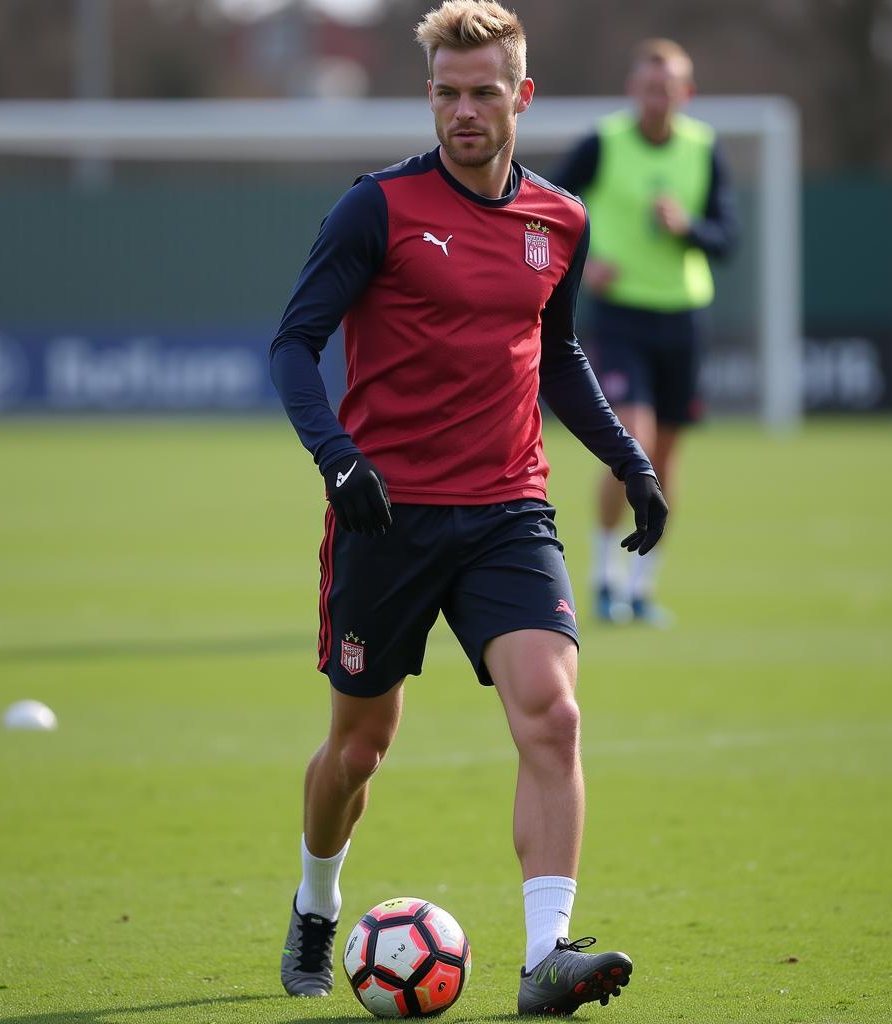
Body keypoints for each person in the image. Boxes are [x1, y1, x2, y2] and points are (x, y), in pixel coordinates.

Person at [269, 1, 667, 1015]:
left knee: (553, 711)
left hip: (507, 511)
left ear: (520, 96)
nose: (463, 111)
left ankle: (546, 956)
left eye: (484, 92)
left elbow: (562, 355)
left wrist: (631, 463)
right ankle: (317, 898)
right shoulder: (376, 210)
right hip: (384, 518)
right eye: (446, 93)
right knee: (358, 749)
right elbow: (292, 344)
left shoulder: (559, 220)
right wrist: (338, 461)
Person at [554, 38, 738, 626]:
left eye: (669, 88)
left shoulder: (705, 150)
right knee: (631, 443)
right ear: (633, 90)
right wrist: (584, 265)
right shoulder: (602, 144)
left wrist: (689, 228)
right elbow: (545, 206)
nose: (657, 98)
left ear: (686, 94)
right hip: (621, 315)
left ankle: (641, 586)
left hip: (682, 317)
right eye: (648, 87)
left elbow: (727, 238)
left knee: (666, 456)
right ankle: (604, 577)